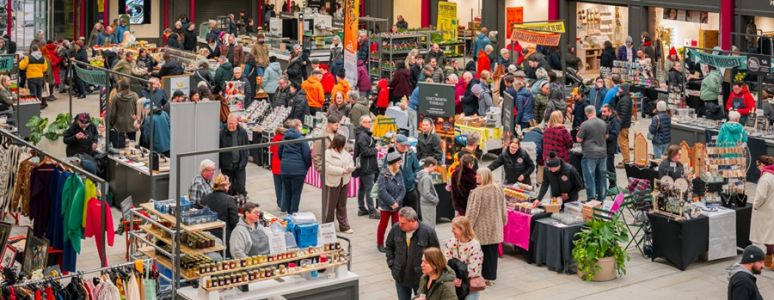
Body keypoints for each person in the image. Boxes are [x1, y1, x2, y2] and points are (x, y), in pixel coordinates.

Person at [385, 207, 441, 300]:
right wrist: (391, 264)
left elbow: (436, 255)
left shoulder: (428, 232)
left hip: (420, 279)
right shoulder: (396, 229)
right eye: (399, 222)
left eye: (403, 223)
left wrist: (430, 273)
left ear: (413, 221)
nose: (400, 225)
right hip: (400, 276)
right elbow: (389, 246)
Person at [465, 168, 505, 286]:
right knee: (492, 253)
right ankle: (490, 278)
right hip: (494, 227)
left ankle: (477, 276)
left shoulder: (478, 192)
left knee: (477, 253)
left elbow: (473, 212)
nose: (476, 177)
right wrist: (503, 221)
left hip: (480, 228)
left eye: (478, 175)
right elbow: (503, 208)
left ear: (484, 176)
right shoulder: (498, 189)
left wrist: (467, 227)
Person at [443, 216, 483, 300]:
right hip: (454, 281)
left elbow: (474, 269)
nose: (452, 231)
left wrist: (460, 278)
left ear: (462, 229)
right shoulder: (452, 241)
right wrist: (453, 278)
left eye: (454, 228)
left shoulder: (474, 245)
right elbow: (445, 259)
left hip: (469, 283)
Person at [324, 134, 355, 234]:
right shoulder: (328, 153)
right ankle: (328, 227)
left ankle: (344, 226)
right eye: (344, 143)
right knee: (330, 206)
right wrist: (342, 170)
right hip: (333, 182)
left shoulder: (346, 153)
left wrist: (350, 168)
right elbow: (327, 168)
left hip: (344, 181)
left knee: (342, 205)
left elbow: (351, 163)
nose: (346, 144)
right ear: (339, 144)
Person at [279, 119, 311, 214]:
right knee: (296, 193)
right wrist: (307, 166)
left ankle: (289, 213)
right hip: (298, 170)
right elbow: (307, 155)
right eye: (301, 126)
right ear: (297, 127)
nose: (302, 128)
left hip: (285, 169)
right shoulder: (301, 139)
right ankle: (294, 213)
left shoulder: (284, 138)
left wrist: (285, 162)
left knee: (287, 192)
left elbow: (280, 153)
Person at [377, 152, 407, 253]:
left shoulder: (399, 172)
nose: (400, 164)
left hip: (397, 205)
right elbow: (382, 191)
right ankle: (380, 243)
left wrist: (397, 202)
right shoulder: (383, 174)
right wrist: (392, 202)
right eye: (398, 162)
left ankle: (396, 243)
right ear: (393, 163)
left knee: (397, 224)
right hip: (386, 205)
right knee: (383, 224)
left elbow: (403, 189)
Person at [577, 105, 608, 201]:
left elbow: (579, 139)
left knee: (590, 177)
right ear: (594, 111)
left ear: (586, 113)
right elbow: (606, 136)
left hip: (589, 154)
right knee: (602, 177)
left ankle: (591, 199)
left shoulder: (585, 124)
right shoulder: (603, 123)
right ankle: (601, 198)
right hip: (602, 153)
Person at [200, 174, 239, 245]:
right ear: (225, 186)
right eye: (228, 184)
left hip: (207, 236)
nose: (229, 186)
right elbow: (234, 222)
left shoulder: (205, 198)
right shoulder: (229, 200)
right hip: (224, 237)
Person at [354, 115, 379, 219]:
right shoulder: (362, 135)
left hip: (364, 165)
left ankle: (361, 209)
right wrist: (376, 149)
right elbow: (365, 152)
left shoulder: (363, 133)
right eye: (367, 122)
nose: (369, 123)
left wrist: (373, 142)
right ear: (361, 123)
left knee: (363, 187)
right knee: (369, 189)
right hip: (367, 166)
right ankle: (372, 211)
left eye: (370, 121)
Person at [390, 134, 421, 216]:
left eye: (406, 145)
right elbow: (385, 171)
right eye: (402, 145)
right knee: (398, 216)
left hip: (410, 189)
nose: (405, 147)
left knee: (413, 215)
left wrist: (412, 178)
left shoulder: (411, 153)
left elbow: (417, 168)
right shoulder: (390, 155)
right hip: (397, 192)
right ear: (396, 144)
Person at [219, 114, 250, 196]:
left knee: (241, 187)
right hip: (227, 167)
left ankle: (241, 201)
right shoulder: (222, 133)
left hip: (240, 166)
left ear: (237, 123)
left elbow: (246, 147)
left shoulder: (242, 132)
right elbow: (219, 149)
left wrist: (244, 160)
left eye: (232, 123)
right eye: (229, 123)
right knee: (228, 188)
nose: (230, 126)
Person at [417, 158, 440, 228]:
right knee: (430, 225)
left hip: (425, 202)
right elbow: (426, 193)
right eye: (434, 167)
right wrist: (435, 199)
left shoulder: (421, 175)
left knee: (427, 224)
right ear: (430, 165)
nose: (434, 169)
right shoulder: (426, 177)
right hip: (428, 203)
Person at [600, 105, 620, 185]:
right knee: (605, 168)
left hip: (610, 148)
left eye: (604, 111)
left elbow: (614, 135)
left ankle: (613, 185)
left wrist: (606, 136)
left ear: (610, 111)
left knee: (610, 168)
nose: (602, 113)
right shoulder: (605, 118)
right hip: (604, 147)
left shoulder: (615, 120)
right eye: (602, 111)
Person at [615, 84, 633, 167]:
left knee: (623, 144)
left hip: (623, 126)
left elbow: (622, 115)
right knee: (624, 143)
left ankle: (626, 161)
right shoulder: (625, 98)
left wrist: (619, 125)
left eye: (620, 88)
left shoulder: (624, 100)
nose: (618, 89)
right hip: (624, 125)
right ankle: (626, 159)